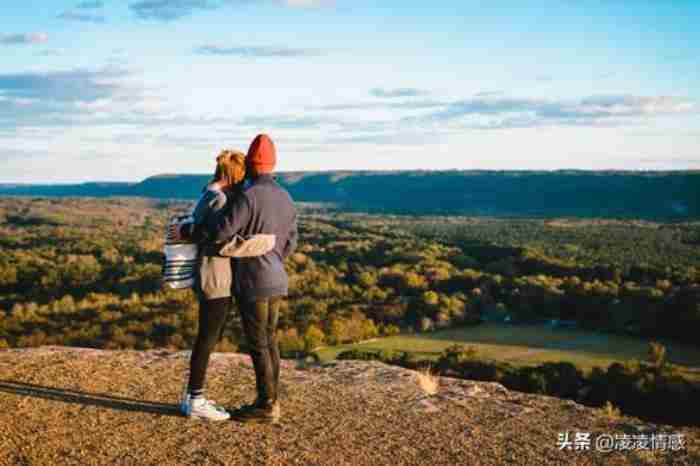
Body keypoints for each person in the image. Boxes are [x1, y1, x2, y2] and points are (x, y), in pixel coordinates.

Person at [195, 134, 297, 424]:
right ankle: (272, 398)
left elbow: (220, 231)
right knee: (270, 339)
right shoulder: (285, 197)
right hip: (276, 276)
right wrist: (274, 258)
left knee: (258, 343)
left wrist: (194, 229)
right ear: (273, 163)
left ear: (252, 164)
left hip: (253, 280)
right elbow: (291, 241)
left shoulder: (249, 196)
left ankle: (266, 405)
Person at [175, 150, 247, 421]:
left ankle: (191, 397)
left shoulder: (209, 193)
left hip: (207, 274)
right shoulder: (220, 199)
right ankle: (196, 399)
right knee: (207, 338)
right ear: (235, 174)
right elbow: (216, 235)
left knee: (206, 336)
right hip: (214, 276)